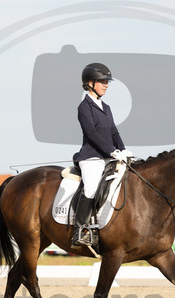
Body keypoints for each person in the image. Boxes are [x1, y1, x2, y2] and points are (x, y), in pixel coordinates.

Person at [71, 63, 133, 248]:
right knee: (91, 188)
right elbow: (91, 134)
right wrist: (111, 151)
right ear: (90, 83)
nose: (106, 85)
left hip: (109, 155)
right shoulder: (84, 107)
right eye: (103, 82)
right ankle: (80, 230)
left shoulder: (106, 107)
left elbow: (114, 132)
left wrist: (123, 150)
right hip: (91, 157)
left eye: (107, 82)